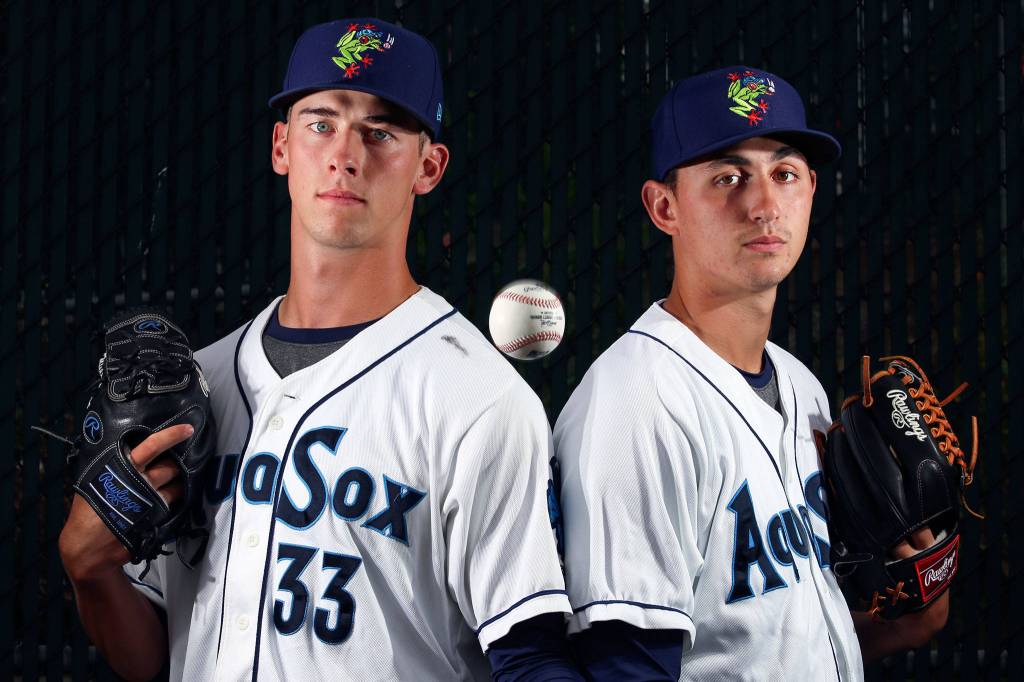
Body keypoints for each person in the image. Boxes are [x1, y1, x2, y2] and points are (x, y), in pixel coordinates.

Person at [59, 19, 581, 681]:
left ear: (429, 166)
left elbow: (531, 657)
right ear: (281, 146)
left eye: (381, 131)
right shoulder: (207, 381)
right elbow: (156, 654)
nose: (345, 154)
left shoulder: (480, 400)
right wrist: (91, 572)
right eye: (320, 123)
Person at [553, 66, 949, 680]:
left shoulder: (801, 386)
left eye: (784, 174)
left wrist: (910, 618)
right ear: (665, 206)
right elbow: (625, 669)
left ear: (811, 189)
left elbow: (779, 651)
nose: (764, 204)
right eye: (728, 177)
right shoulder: (636, 405)